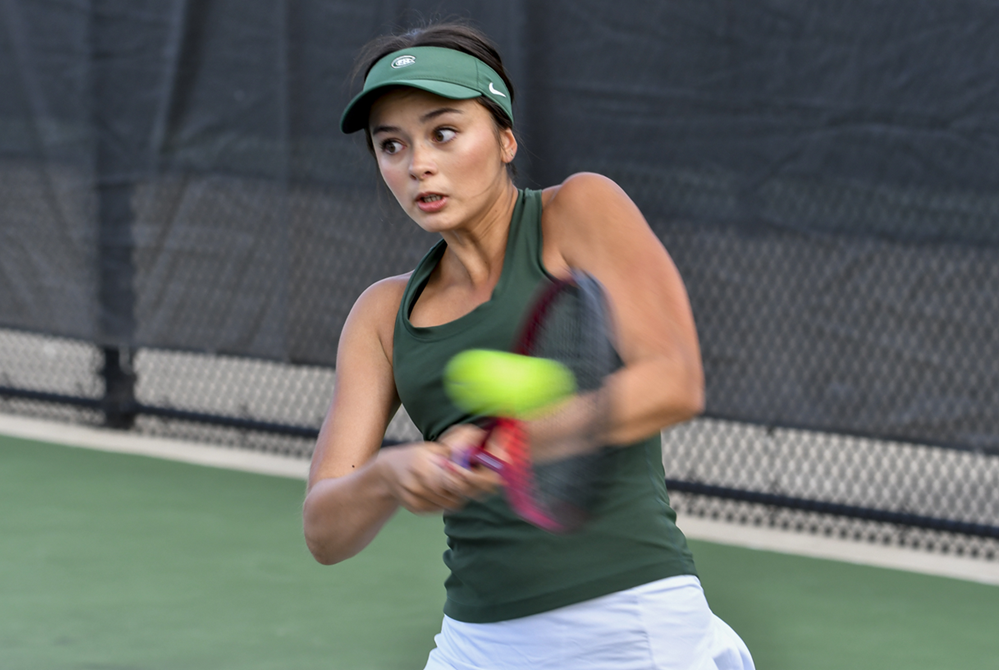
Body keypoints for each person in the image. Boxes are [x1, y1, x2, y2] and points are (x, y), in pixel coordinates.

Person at [302, 20, 754, 670]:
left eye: (444, 133)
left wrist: (503, 443)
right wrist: (386, 475)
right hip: (476, 644)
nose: (417, 163)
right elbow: (324, 532)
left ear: (506, 138)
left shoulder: (578, 213)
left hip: (629, 621)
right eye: (391, 145)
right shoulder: (380, 314)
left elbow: (672, 382)